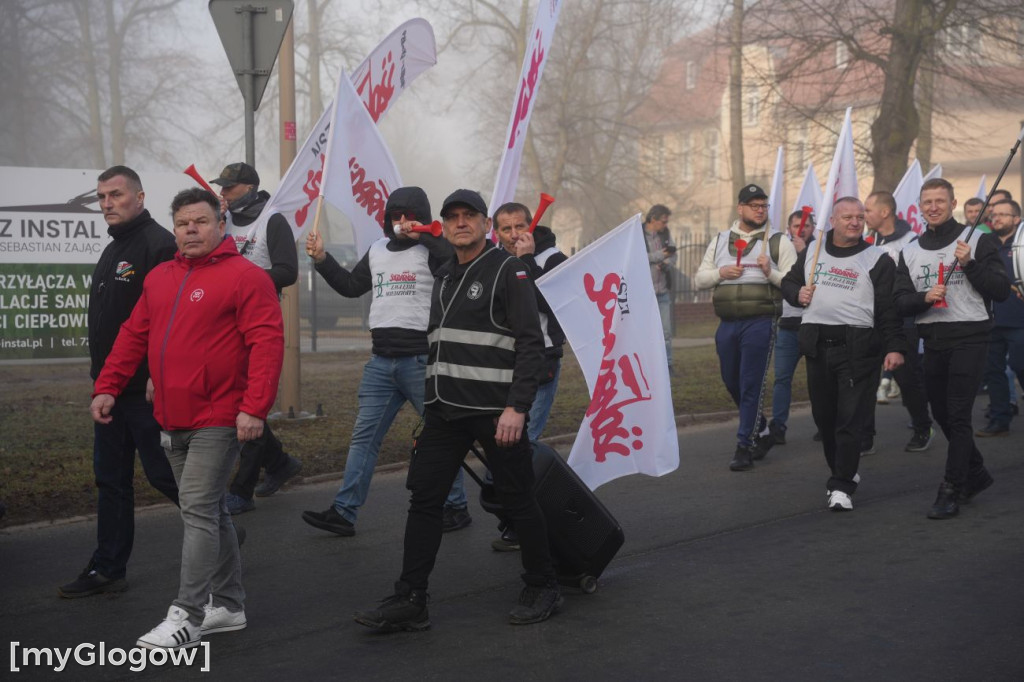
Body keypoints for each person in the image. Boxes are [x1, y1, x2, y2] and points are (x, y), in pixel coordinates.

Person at [354, 189, 560, 632]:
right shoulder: (445, 274)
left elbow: (530, 343)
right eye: (453, 218)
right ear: (443, 227)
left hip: (495, 412)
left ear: (486, 225)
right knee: (424, 499)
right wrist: (429, 404)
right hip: (445, 412)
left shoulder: (509, 270)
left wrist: (517, 409)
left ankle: (543, 584)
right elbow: (438, 344)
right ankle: (411, 598)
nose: (461, 223)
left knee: (518, 498)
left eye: (470, 216)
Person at [91, 188, 284, 649]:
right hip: (171, 416)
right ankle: (230, 606)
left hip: (220, 415)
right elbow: (133, 335)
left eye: (200, 221)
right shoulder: (160, 277)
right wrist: (108, 386)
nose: (190, 230)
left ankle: (188, 614)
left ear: (220, 224)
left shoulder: (245, 276)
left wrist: (254, 408)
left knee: (197, 509)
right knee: (210, 511)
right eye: (182, 223)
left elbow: (267, 344)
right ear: (174, 229)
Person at [299, 187, 470, 536]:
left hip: (422, 360)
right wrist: (321, 259)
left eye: (410, 215)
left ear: (422, 216)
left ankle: (456, 506)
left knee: (441, 437)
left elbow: (454, 267)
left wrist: (426, 234)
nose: (403, 222)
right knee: (364, 438)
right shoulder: (377, 249)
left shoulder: (433, 250)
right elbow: (349, 286)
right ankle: (344, 512)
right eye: (396, 216)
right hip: (380, 363)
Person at [58, 166, 180, 599]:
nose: (107, 203)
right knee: (110, 480)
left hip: (145, 391)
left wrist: (155, 377)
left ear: (140, 197)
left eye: (115, 194)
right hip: (109, 390)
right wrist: (101, 383)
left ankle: (218, 529)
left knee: (164, 474)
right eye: (101, 197)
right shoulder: (112, 250)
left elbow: (169, 321)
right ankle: (108, 567)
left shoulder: (160, 245)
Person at [893, 178, 1010, 520]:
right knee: (942, 414)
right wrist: (922, 298)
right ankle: (976, 472)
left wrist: (971, 264)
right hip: (932, 339)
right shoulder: (911, 250)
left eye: (940, 201)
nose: (933, 207)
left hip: (971, 336)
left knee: (958, 415)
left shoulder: (978, 240)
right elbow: (900, 301)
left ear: (952, 202)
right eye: (927, 202)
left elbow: (1000, 291)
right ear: (919, 206)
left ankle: (951, 488)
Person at [782, 197, 906, 511]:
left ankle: (841, 485)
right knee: (824, 419)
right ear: (833, 220)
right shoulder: (813, 250)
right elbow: (790, 282)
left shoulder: (877, 259)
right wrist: (798, 293)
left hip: (858, 350)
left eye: (859, 217)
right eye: (847, 217)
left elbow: (888, 310)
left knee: (850, 420)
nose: (854, 222)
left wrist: (893, 346)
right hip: (817, 347)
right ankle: (842, 469)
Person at [209, 162, 301, 514]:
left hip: (258, 319)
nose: (223, 193)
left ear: (248, 187)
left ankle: (241, 491)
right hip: (223, 320)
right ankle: (279, 463)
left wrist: (245, 277)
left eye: (229, 188)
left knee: (249, 402)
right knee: (238, 401)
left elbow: (288, 271)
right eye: (222, 188)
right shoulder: (223, 219)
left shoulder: (273, 220)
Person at [695, 184, 797, 471]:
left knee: (751, 383)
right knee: (732, 381)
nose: (760, 210)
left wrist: (770, 272)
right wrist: (720, 273)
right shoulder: (719, 240)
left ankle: (744, 446)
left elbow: (793, 284)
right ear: (740, 208)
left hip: (760, 322)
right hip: (727, 323)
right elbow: (699, 279)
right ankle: (761, 428)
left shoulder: (778, 242)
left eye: (763, 205)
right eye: (754, 205)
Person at [490, 200, 569, 551]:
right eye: (505, 229)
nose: (512, 235)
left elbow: (546, 303)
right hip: (505, 363)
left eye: (519, 227)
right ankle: (517, 516)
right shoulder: (495, 258)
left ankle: (526, 522)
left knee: (525, 442)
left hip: (541, 360)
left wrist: (525, 261)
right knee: (506, 444)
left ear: (531, 226)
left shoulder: (552, 259)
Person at [863, 190, 934, 453]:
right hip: (870, 321)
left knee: (907, 379)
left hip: (903, 321)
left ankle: (922, 427)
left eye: (868, 210)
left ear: (884, 212)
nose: (863, 215)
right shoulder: (867, 241)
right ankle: (864, 436)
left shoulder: (911, 241)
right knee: (866, 380)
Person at [976, 199, 1024, 437]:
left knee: (1020, 366)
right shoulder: (986, 244)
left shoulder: (1022, 244)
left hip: (1019, 318)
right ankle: (999, 419)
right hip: (992, 318)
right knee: (993, 372)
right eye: (994, 215)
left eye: (1003, 215)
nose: (997, 219)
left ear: (1017, 219)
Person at [769, 210, 814, 446]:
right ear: (789, 228)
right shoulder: (782, 250)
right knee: (782, 379)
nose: (801, 230)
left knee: (819, 380)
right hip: (787, 325)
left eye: (805, 225)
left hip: (813, 325)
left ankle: (824, 424)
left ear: (813, 228)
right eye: (796, 225)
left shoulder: (821, 251)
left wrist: (804, 252)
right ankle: (778, 426)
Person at [642, 205, 676, 374]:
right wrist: (659, 256)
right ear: (653, 219)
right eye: (663, 221)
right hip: (643, 294)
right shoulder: (638, 234)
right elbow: (638, 256)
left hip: (662, 291)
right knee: (644, 333)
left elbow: (673, 254)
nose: (665, 224)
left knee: (666, 332)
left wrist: (667, 263)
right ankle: (648, 367)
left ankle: (668, 366)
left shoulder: (665, 234)